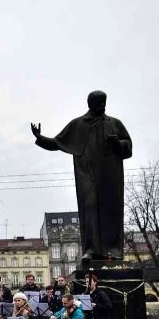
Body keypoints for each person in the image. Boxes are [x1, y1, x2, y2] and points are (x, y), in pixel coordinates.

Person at [32, 90, 133, 260]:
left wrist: (118, 143)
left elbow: (128, 147)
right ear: (90, 104)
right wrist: (39, 137)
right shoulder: (79, 124)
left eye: (104, 103)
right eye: (98, 103)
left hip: (110, 175)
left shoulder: (115, 123)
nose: (102, 106)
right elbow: (57, 143)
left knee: (111, 211)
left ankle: (113, 250)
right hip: (87, 175)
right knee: (89, 209)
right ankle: (91, 249)